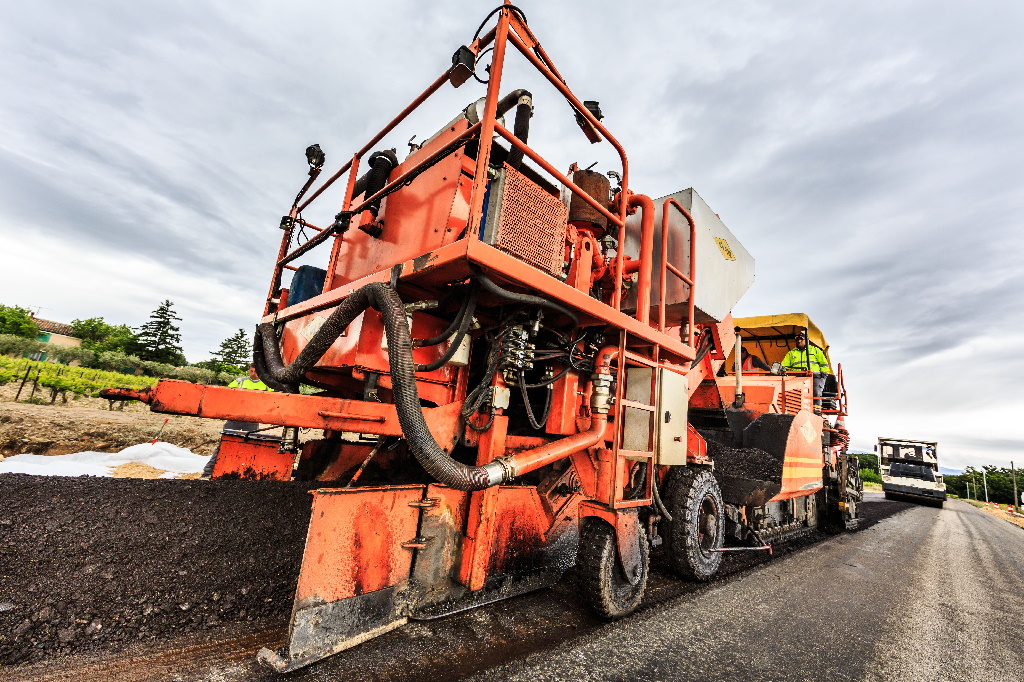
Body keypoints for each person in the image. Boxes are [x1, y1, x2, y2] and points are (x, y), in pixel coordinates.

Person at [202, 365, 272, 478]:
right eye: (251, 371)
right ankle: (208, 472)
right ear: (249, 370)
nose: (253, 373)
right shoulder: (239, 382)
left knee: (250, 446)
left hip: (252, 421)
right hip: (234, 419)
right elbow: (226, 395)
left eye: (255, 371)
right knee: (225, 444)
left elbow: (272, 402)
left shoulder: (267, 385)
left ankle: (244, 473)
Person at [781, 331, 831, 413]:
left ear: (806, 340)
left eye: (801, 339)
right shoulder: (791, 353)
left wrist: (823, 375)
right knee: (793, 393)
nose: (799, 341)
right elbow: (784, 366)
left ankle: (817, 412)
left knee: (816, 392)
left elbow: (824, 364)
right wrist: (782, 370)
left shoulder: (815, 350)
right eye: (797, 339)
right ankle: (793, 411)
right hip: (797, 378)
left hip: (815, 376)